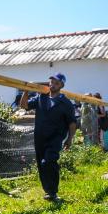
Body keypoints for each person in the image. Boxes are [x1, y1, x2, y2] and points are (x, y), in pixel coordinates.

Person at [20, 73, 76, 202]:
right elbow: (24, 105)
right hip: (39, 137)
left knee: (49, 162)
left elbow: (72, 123)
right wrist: (26, 91)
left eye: (56, 83)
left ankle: (54, 192)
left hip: (55, 138)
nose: (53, 84)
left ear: (61, 85)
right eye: (51, 82)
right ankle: (49, 192)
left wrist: (69, 139)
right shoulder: (41, 97)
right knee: (41, 164)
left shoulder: (66, 103)